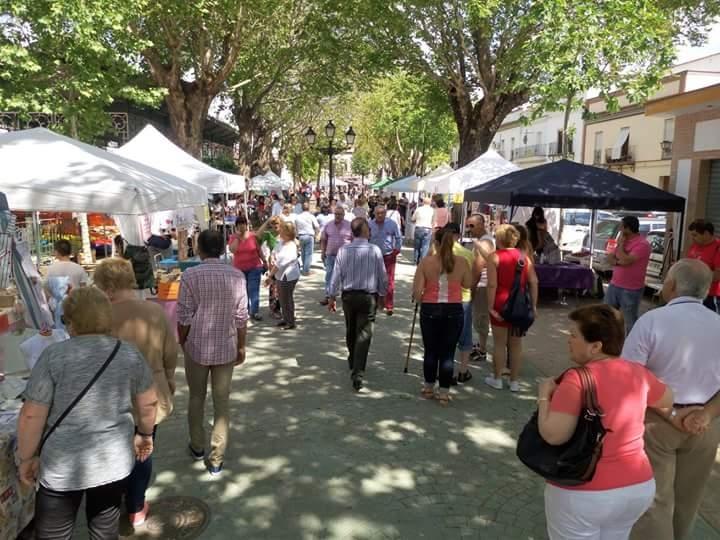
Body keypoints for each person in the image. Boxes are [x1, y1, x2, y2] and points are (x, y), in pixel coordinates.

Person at [17, 287, 157, 538]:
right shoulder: (128, 353)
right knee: (105, 528)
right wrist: (145, 434)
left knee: (53, 533)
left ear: (70, 322)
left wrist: (26, 457)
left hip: (61, 465)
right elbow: (148, 403)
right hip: (113, 461)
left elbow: (31, 415)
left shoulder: (53, 356)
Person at [539, 304, 672, 540]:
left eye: (573, 335)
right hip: (636, 487)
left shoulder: (576, 380)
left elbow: (553, 434)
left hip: (583, 491)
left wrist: (543, 396)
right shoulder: (637, 372)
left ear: (596, 346)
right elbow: (667, 400)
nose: (568, 340)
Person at [622, 259, 720, 540]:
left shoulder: (652, 320)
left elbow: (631, 378)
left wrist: (671, 414)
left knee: (654, 501)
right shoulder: (718, 323)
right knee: (688, 500)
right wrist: (707, 415)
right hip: (704, 424)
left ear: (672, 285)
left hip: (656, 420)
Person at [93, 258, 178, 526]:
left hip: (110, 395)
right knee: (144, 447)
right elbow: (170, 352)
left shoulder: (98, 317)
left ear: (104, 285)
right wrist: (169, 379)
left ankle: (114, 500)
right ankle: (136, 506)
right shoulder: (154, 312)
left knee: (114, 449)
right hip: (150, 392)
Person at [177, 230, 248, 476]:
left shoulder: (190, 275)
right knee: (222, 402)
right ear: (222, 249)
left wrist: (182, 339)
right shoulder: (237, 275)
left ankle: (197, 446)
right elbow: (241, 317)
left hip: (197, 345)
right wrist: (241, 345)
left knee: (196, 397)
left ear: (200, 249)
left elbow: (184, 315)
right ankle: (217, 458)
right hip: (226, 346)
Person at [413, 228, 473, 406]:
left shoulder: (426, 262)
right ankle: (444, 393)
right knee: (448, 352)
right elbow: (468, 284)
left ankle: (428, 387)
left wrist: (420, 298)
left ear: (436, 243)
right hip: (454, 309)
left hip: (430, 308)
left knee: (430, 349)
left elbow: (417, 292)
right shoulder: (461, 262)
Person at [328, 218, 388, 391]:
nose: (370, 230)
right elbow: (382, 276)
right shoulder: (374, 250)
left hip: (348, 296)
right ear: (363, 231)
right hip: (368, 297)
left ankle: (354, 362)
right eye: (368, 228)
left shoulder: (344, 250)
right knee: (363, 334)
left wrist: (332, 295)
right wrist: (383, 295)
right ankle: (357, 370)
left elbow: (336, 275)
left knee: (351, 329)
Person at [485, 224, 539, 392]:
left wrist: (490, 306)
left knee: (499, 344)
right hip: (520, 305)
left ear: (499, 239)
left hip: (500, 303)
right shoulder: (524, 257)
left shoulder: (494, 257)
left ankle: (497, 378)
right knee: (516, 345)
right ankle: (514, 381)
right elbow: (534, 282)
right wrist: (534, 306)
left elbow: (492, 284)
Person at [605, 216, 651, 334]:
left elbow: (626, 260)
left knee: (630, 320)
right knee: (606, 316)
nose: (620, 229)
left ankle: (631, 346)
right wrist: (618, 261)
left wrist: (620, 246)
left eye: (621, 227)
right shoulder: (624, 241)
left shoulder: (642, 244)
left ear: (628, 229)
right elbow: (610, 257)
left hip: (631, 289)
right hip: (614, 284)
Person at [443, 223, 476, 384]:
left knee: (444, 336)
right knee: (465, 335)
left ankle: (443, 369)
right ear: (458, 234)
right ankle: (463, 370)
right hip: (463, 298)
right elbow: (471, 280)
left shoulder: (437, 252)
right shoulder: (467, 254)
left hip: (442, 298)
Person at [467, 214, 495, 362]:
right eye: (468, 225)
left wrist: (471, 288)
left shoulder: (484, 242)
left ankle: (483, 350)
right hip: (484, 284)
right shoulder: (485, 240)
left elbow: (478, 268)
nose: (469, 229)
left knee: (480, 317)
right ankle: (481, 345)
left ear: (481, 225)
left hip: (482, 285)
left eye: (472, 226)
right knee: (480, 317)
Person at [229, 215, 268, 321]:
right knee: (243, 291)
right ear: (236, 226)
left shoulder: (252, 236)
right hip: (239, 269)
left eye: (243, 224)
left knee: (253, 290)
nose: (242, 226)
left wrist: (264, 261)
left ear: (246, 225)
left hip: (254, 267)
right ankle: (246, 310)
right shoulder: (233, 237)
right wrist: (238, 238)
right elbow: (232, 250)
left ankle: (255, 312)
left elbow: (259, 250)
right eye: (239, 224)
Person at [369, 205, 403, 316]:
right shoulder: (369, 224)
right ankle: (375, 302)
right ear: (374, 213)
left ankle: (389, 305)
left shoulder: (392, 224)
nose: (380, 215)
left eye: (382, 213)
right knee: (373, 279)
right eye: (377, 213)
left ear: (385, 213)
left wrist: (396, 250)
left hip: (388, 256)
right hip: (373, 256)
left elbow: (398, 237)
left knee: (389, 281)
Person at [268, 221, 301, 329]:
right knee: (282, 298)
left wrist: (270, 276)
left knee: (286, 299)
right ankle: (286, 318)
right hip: (280, 276)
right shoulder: (281, 242)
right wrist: (272, 257)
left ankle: (290, 322)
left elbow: (280, 264)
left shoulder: (291, 246)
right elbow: (274, 251)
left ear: (287, 232)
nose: (279, 230)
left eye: (282, 229)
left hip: (288, 276)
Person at [319, 207, 353, 305]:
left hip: (345, 256)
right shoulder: (328, 225)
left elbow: (354, 240)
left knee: (345, 277)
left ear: (343, 215)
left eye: (340, 214)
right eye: (336, 214)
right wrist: (322, 252)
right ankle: (328, 296)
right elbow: (323, 240)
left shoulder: (349, 226)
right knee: (329, 276)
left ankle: (345, 296)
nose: (338, 216)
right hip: (330, 255)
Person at [686, 218, 720, 312]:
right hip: (692, 293)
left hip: (710, 295)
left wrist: (696, 276)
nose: (692, 238)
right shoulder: (695, 245)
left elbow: (717, 275)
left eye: (695, 235)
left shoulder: (717, 248)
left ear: (706, 234)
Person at [295, 202, 320, 276]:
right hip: (309, 235)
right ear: (308, 208)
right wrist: (317, 234)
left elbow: (295, 226)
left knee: (303, 252)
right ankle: (306, 270)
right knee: (308, 254)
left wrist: (297, 236)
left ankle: (304, 269)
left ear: (302, 208)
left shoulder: (298, 216)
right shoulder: (311, 216)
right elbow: (317, 226)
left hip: (301, 235)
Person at [411, 197, 435, 264]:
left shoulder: (418, 209)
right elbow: (433, 221)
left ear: (423, 202)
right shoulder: (432, 210)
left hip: (419, 228)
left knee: (417, 246)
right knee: (425, 246)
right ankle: (423, 261)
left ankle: (415, 260)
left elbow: (412, 219)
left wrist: (416, 221)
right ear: (430, 203)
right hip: (428, 229)